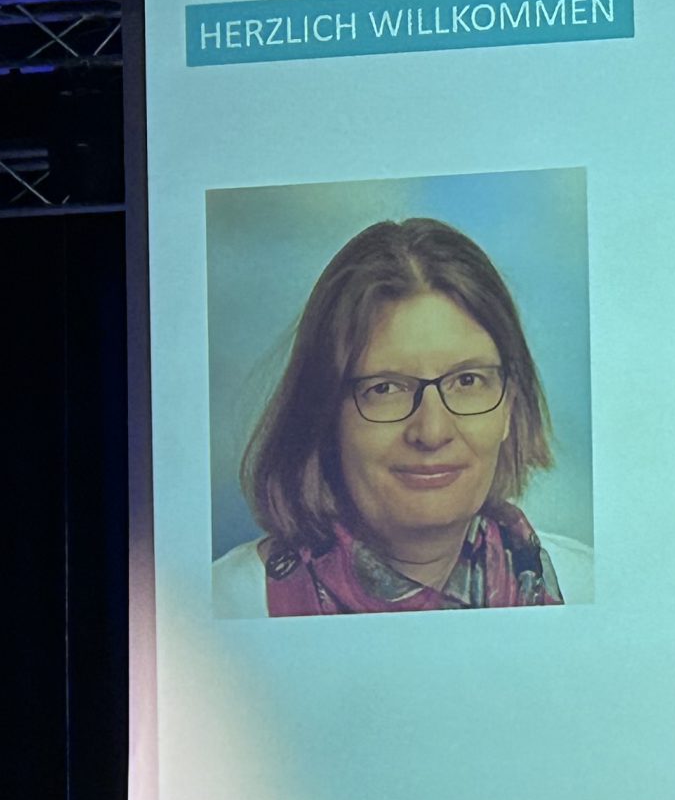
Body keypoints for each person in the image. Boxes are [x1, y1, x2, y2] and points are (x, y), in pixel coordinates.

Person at [214, 216, 590, 617]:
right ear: (324, 415)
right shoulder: (223, 607)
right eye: (385, 388)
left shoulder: (589, 585)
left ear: (508, 408)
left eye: (467, 380)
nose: (432, 431)